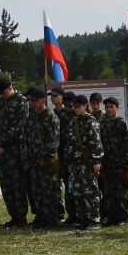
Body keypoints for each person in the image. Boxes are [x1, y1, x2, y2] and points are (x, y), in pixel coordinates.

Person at [0, 78, 30, 229]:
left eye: (3, 92)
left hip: (15, 151)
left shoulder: (22, 103)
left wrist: (1, 142)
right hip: (1, 152)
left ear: (10, 88)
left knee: (17, 185)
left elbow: (19, 127)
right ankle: (13, 216)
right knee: (6, 186)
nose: (1, 95)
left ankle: (21, 218)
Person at [65, 95, 105, 230]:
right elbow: (69, 143)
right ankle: (83, 218)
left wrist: (96, 160)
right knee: (77, 191)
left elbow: (96, 142)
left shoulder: (91, 121)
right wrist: (69, 162)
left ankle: (94, 219)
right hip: (76, 162)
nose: (75, 109)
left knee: (91, 191)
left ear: (85, 106)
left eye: (78, 106)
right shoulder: (73, 122)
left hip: (88, 162)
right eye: (74, 107)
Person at [24, 88, 61, 229]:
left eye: (34, 100)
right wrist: (27, 159)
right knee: (36, 192)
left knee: (49, 191)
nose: (31, 103)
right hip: (34, 161)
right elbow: (27, 139)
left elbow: (54, 141)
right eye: (30, 101)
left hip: (46, 162)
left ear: (43, 100)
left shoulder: (51, 117)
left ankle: (51, 219)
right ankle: (40, 218)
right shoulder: (31, 117)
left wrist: (46, 158)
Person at [100, 97, 128, 226]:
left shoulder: (122, 123)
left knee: (122, 192)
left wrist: (124, 164)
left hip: (120, 163)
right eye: (107, 107)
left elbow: (127, 146)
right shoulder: (103, 124)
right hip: (107, 164)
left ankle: (123, 217)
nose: (108, 109)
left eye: (111, 107)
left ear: (117, 108)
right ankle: (111, 216)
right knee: (109, 192)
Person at [50, 88, 72, 224]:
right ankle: (58, 213)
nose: (53, 98)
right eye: (51, 96)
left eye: (55, 96)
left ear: (62, 97)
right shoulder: (52, 113)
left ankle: (73, 213)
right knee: (56, 184)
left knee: (70, 186)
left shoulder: (69, 113)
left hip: (67, 153)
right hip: (56, 154)